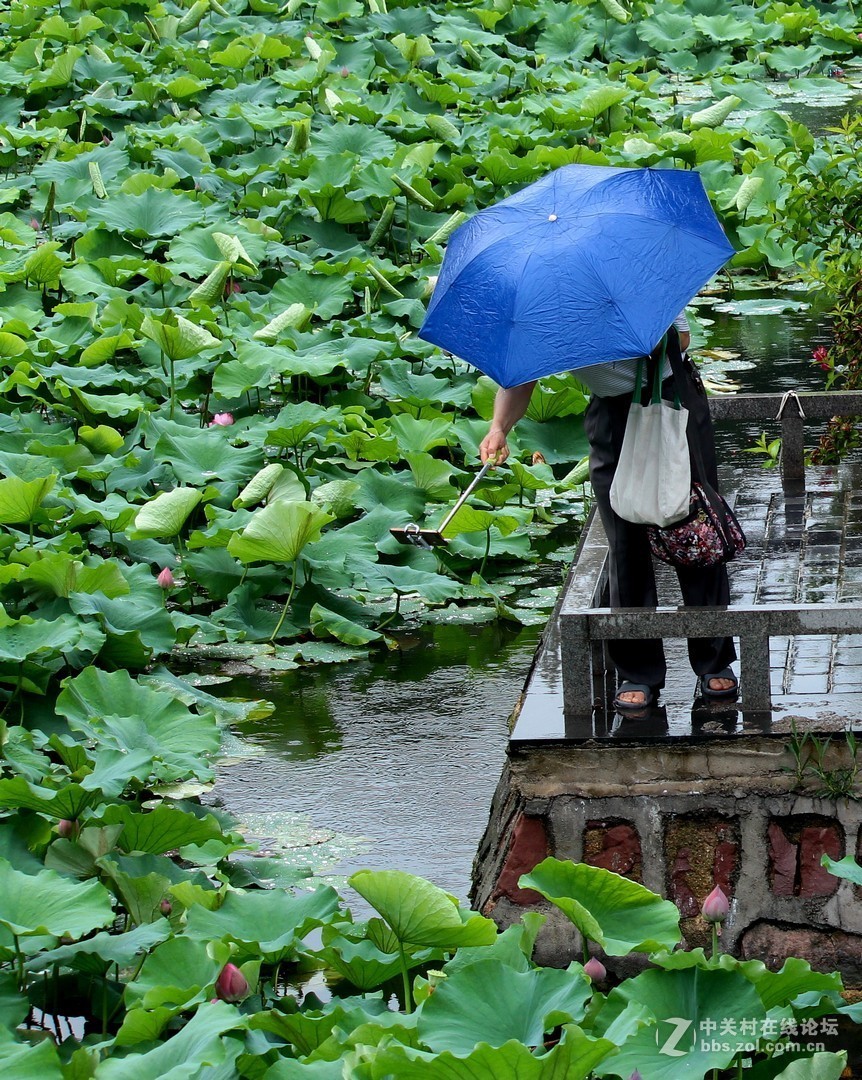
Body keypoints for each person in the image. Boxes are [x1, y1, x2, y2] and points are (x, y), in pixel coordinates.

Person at [478, 316, 738, 712]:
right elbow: (520, 376)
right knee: (624, 540)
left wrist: (632, 337)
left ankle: (714, 660)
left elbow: (682, 338)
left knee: (692, 527)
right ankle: (639, 671)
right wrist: (499, 427)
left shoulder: (639, 268)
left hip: (671, 398)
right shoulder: (544, 309)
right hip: (612, 412)